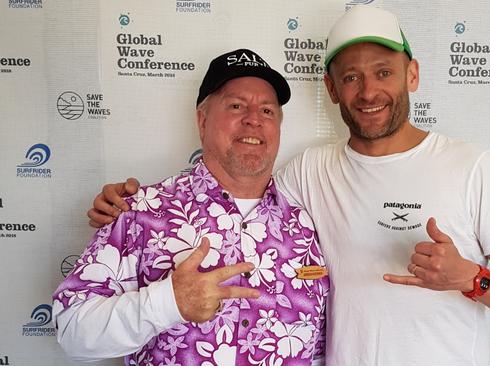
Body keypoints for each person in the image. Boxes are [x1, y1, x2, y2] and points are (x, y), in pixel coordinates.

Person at [88, 6, 490, 366]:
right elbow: (237, 188)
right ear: (332, 90)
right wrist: (125, 207)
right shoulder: (307, 173)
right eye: (350, 77)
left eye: (383, 72)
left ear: (412, 74)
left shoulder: (471, 165)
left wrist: (471, 279)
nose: (368, 91)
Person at [52, 49, 329, 366]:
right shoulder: (141, 212)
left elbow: (320, 350)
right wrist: (169, 302)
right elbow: (72, 329)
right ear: (202, 120)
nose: (254, 118)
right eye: (236, 105)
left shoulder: (308, 227)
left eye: (267, 111)